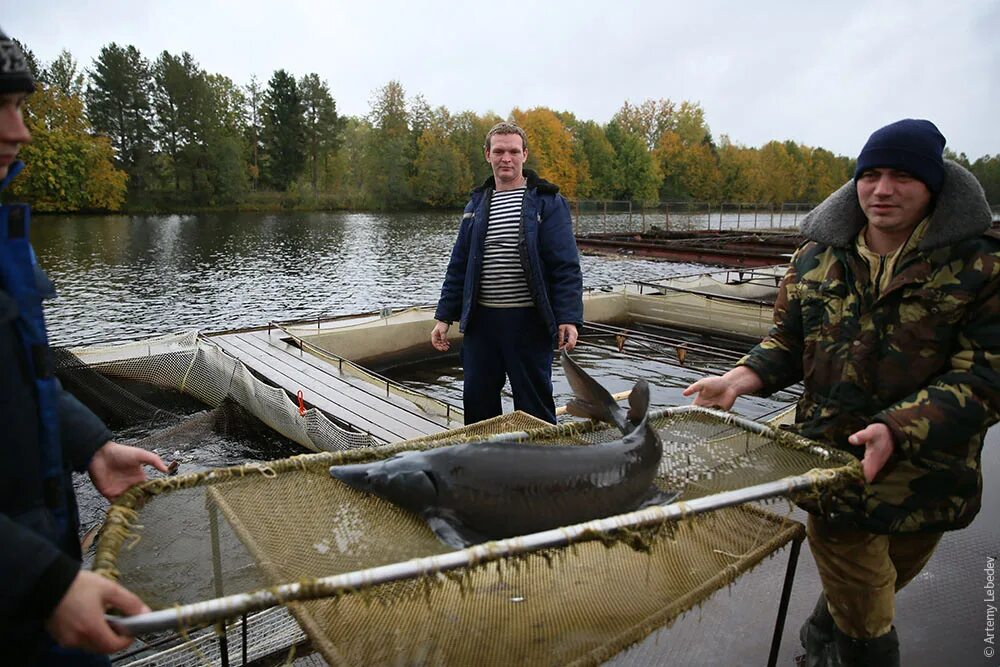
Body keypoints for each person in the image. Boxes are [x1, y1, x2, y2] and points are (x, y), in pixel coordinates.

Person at [683, 119, 999, 666]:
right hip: (829, 467)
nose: (882, 189)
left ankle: (819, 637)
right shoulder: (815, 256)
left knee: (875, 586)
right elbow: (787, 340)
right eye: (870, 174)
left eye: (902, 176)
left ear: (933, 185)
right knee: (869, 624)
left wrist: (896, 429)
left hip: (928, 479)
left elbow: (986, 376)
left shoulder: (983, 266)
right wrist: (740, 377)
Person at [0, 28, 169, 665]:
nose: (21, 133)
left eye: (18, 107)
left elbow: (24, 379)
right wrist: (40, 581)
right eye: (0, 109)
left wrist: (90, 444)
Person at [431, 122, 583, 424]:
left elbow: (565, 265)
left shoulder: (548, 202)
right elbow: (459, 264)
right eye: (499, 151)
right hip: (481, 324)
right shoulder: (476, 203)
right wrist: (443, 317)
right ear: (488, 155)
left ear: (524, 155)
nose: (506, 158)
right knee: (478, 400)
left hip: (528, 322)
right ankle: (484, 462)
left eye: (514, 151)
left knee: (533, 404)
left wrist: (568, 317)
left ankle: (539, 463)